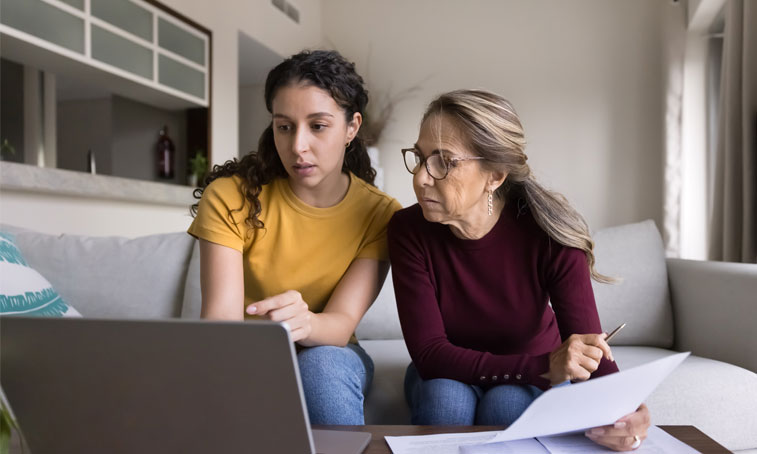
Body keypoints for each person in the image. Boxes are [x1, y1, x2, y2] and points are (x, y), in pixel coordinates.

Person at [388, 89, 650, 451]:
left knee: (506, 402)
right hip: (451, 370)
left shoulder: (551, 235)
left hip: (528, 378)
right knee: (446, 398)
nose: (420, 177)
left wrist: (626, 412)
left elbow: (587, 350)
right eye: (419, 158)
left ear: (494, 175)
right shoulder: (408, 229)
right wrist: (543, 366)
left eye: (443, 162)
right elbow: (430, 354)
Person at [188, 50, 401, 425]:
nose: (298, 146)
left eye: (318, 126)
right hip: (243, 351)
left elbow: (340, 323)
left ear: (352, 127)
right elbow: (221, 323)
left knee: (320, 367)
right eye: (284, 126)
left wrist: (303, 323)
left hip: (329, 351)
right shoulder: (230, 196)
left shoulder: (380, 214)